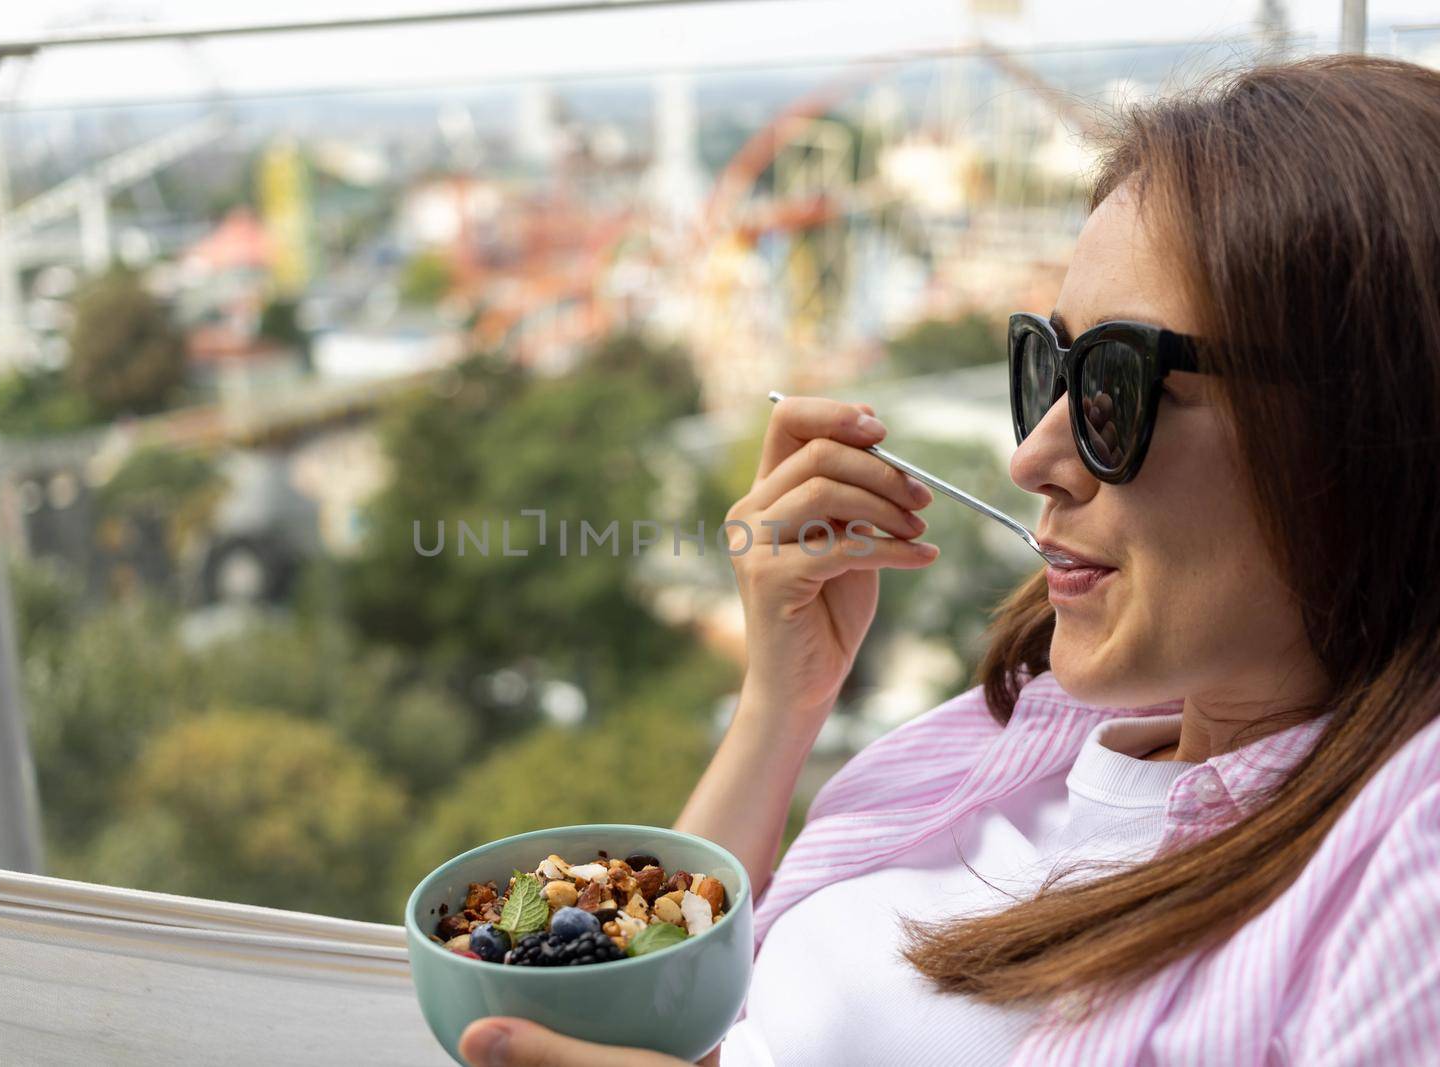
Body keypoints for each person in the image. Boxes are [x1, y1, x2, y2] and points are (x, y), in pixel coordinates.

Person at [458, 52, 1440, 1065]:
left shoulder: (1406, 852)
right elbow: (675, 1008)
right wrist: (783, 702)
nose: (1033, 458)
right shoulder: (1021, 731)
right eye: (1045, 368)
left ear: (1367, 430)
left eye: (1117, 384)